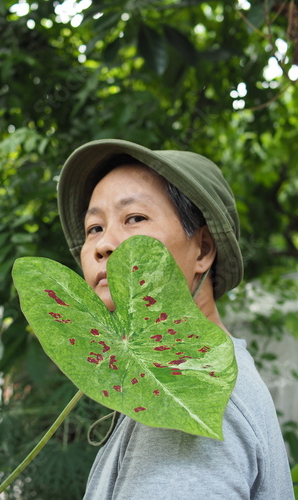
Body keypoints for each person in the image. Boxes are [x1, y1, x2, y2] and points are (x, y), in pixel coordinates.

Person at [57, 139, 294, 500]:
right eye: (94, 228)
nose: (103, 244)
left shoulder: (191, 395)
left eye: (134, 218)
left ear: (203, 249)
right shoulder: (180, 378)